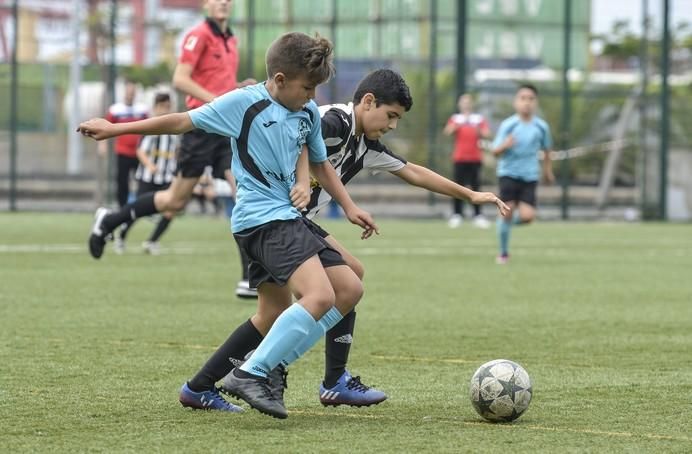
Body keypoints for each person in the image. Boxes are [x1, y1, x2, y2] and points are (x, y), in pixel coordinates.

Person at [78, 32, 378, 420]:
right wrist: (116, 129)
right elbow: (181, 121)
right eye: (306, 88)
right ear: (281, 80)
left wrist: (348, 206)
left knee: (329, 292)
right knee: (320, 295)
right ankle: (254, 372)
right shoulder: (243, 103)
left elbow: (318, 160)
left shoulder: (305, 112)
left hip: (287, 220)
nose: (311, 96)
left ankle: (199, 387)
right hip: (262, 220)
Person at [216, 69, 509, 408]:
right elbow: (298, 135)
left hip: (294, 222)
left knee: (339, 285)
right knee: (325, 293)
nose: (393, 125)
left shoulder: (364, 144)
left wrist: (470, 195)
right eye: (391, 116)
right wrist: (309, 185)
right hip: (276, 221)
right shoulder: (334, 122)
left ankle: (213, 384)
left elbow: (413, 172)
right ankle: (269, 370)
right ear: (368, 101)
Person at [87, 0, 258, 299]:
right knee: (173, 201)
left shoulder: (230, 38)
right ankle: (110, 220)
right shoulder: (198, 35)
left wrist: (237, 89)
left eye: (229, 0)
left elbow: (220, 84)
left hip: (225, 128)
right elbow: (181, 79)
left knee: (242, 193)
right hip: (201, 128)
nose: (224, 4)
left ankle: (249, 278)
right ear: (206, 4)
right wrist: (216, 102)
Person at [491, 83, 555, 264]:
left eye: (531, 99)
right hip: (508, 174)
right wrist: (505, 145)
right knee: (507, 211)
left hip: (530, 175)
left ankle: (503, 226)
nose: (527, 103)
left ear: (536, 102)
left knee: (528, 217)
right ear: (516, 102)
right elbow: (495, 152)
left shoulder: (541, 126)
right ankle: (503, 253)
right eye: (523, 98)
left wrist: (548, 171)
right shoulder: (508, 125)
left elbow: (548, 149)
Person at [116, 93, 178, 255]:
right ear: (156, 107)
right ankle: (121, 235)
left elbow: (176, 151)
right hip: (148, 176)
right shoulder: (150, 126)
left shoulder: (175, 126)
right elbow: (140, 150)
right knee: (137, 210)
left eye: (168, 106)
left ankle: (152, 241)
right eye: (163, 106)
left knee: (171, 209)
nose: (166, 110)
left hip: (167, 176)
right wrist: (150, 165)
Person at [98, 80, 149, 215]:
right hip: (123, 152)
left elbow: (149, 128)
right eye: (128, 91)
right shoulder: (116, 110)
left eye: (133, 92)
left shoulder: (142, 110)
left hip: (140, 153)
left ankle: (141, 208)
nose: (130, 94)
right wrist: (102, 144)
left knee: (143, 181)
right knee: (122, 181)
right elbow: (105, 126)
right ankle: (123, 208)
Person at [443, 94, 492, 229]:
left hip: (475, 158)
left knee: (476, 187)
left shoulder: (478, 119)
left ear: (472, 104)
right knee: (457, 187)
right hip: (460, 158)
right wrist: (459, 125)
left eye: (468, 102)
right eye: (463, 102)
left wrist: (477, 128)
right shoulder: (456, 118)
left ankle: (478, 215)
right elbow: (447, 131)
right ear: (460, 104)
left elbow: (487, 133)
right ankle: (457, 214)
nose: (466, 104)